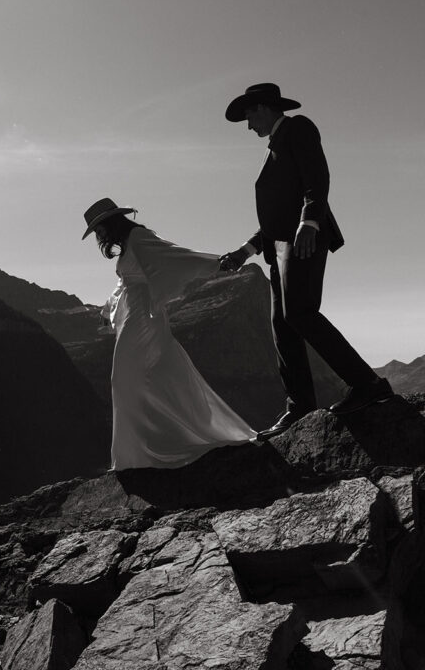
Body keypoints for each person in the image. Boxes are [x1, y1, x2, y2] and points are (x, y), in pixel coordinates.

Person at [220, 82, 393, 440]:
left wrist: (309, 222)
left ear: (264, 108)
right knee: (283, 325)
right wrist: (246, 251)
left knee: (300, 313)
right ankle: (300, 407)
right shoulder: (275, 147)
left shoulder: (298, 128)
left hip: (302, 240)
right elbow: (276, 213)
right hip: (280, 247)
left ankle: (368, 383)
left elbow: (317, 178)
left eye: (249, 116)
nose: (249, 126)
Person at [82, 197, 257, 469]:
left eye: (98, 228)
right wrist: (108, 308)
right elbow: (125, 280)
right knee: (140, 380)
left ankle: (138, 456)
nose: (98, 235)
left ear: (108, 223)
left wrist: (216, 264)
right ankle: (144, 452)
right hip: (135, 314)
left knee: (126, 379)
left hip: (141, 319)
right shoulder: (130, 242)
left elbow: (176, 258)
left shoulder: (138, 237)